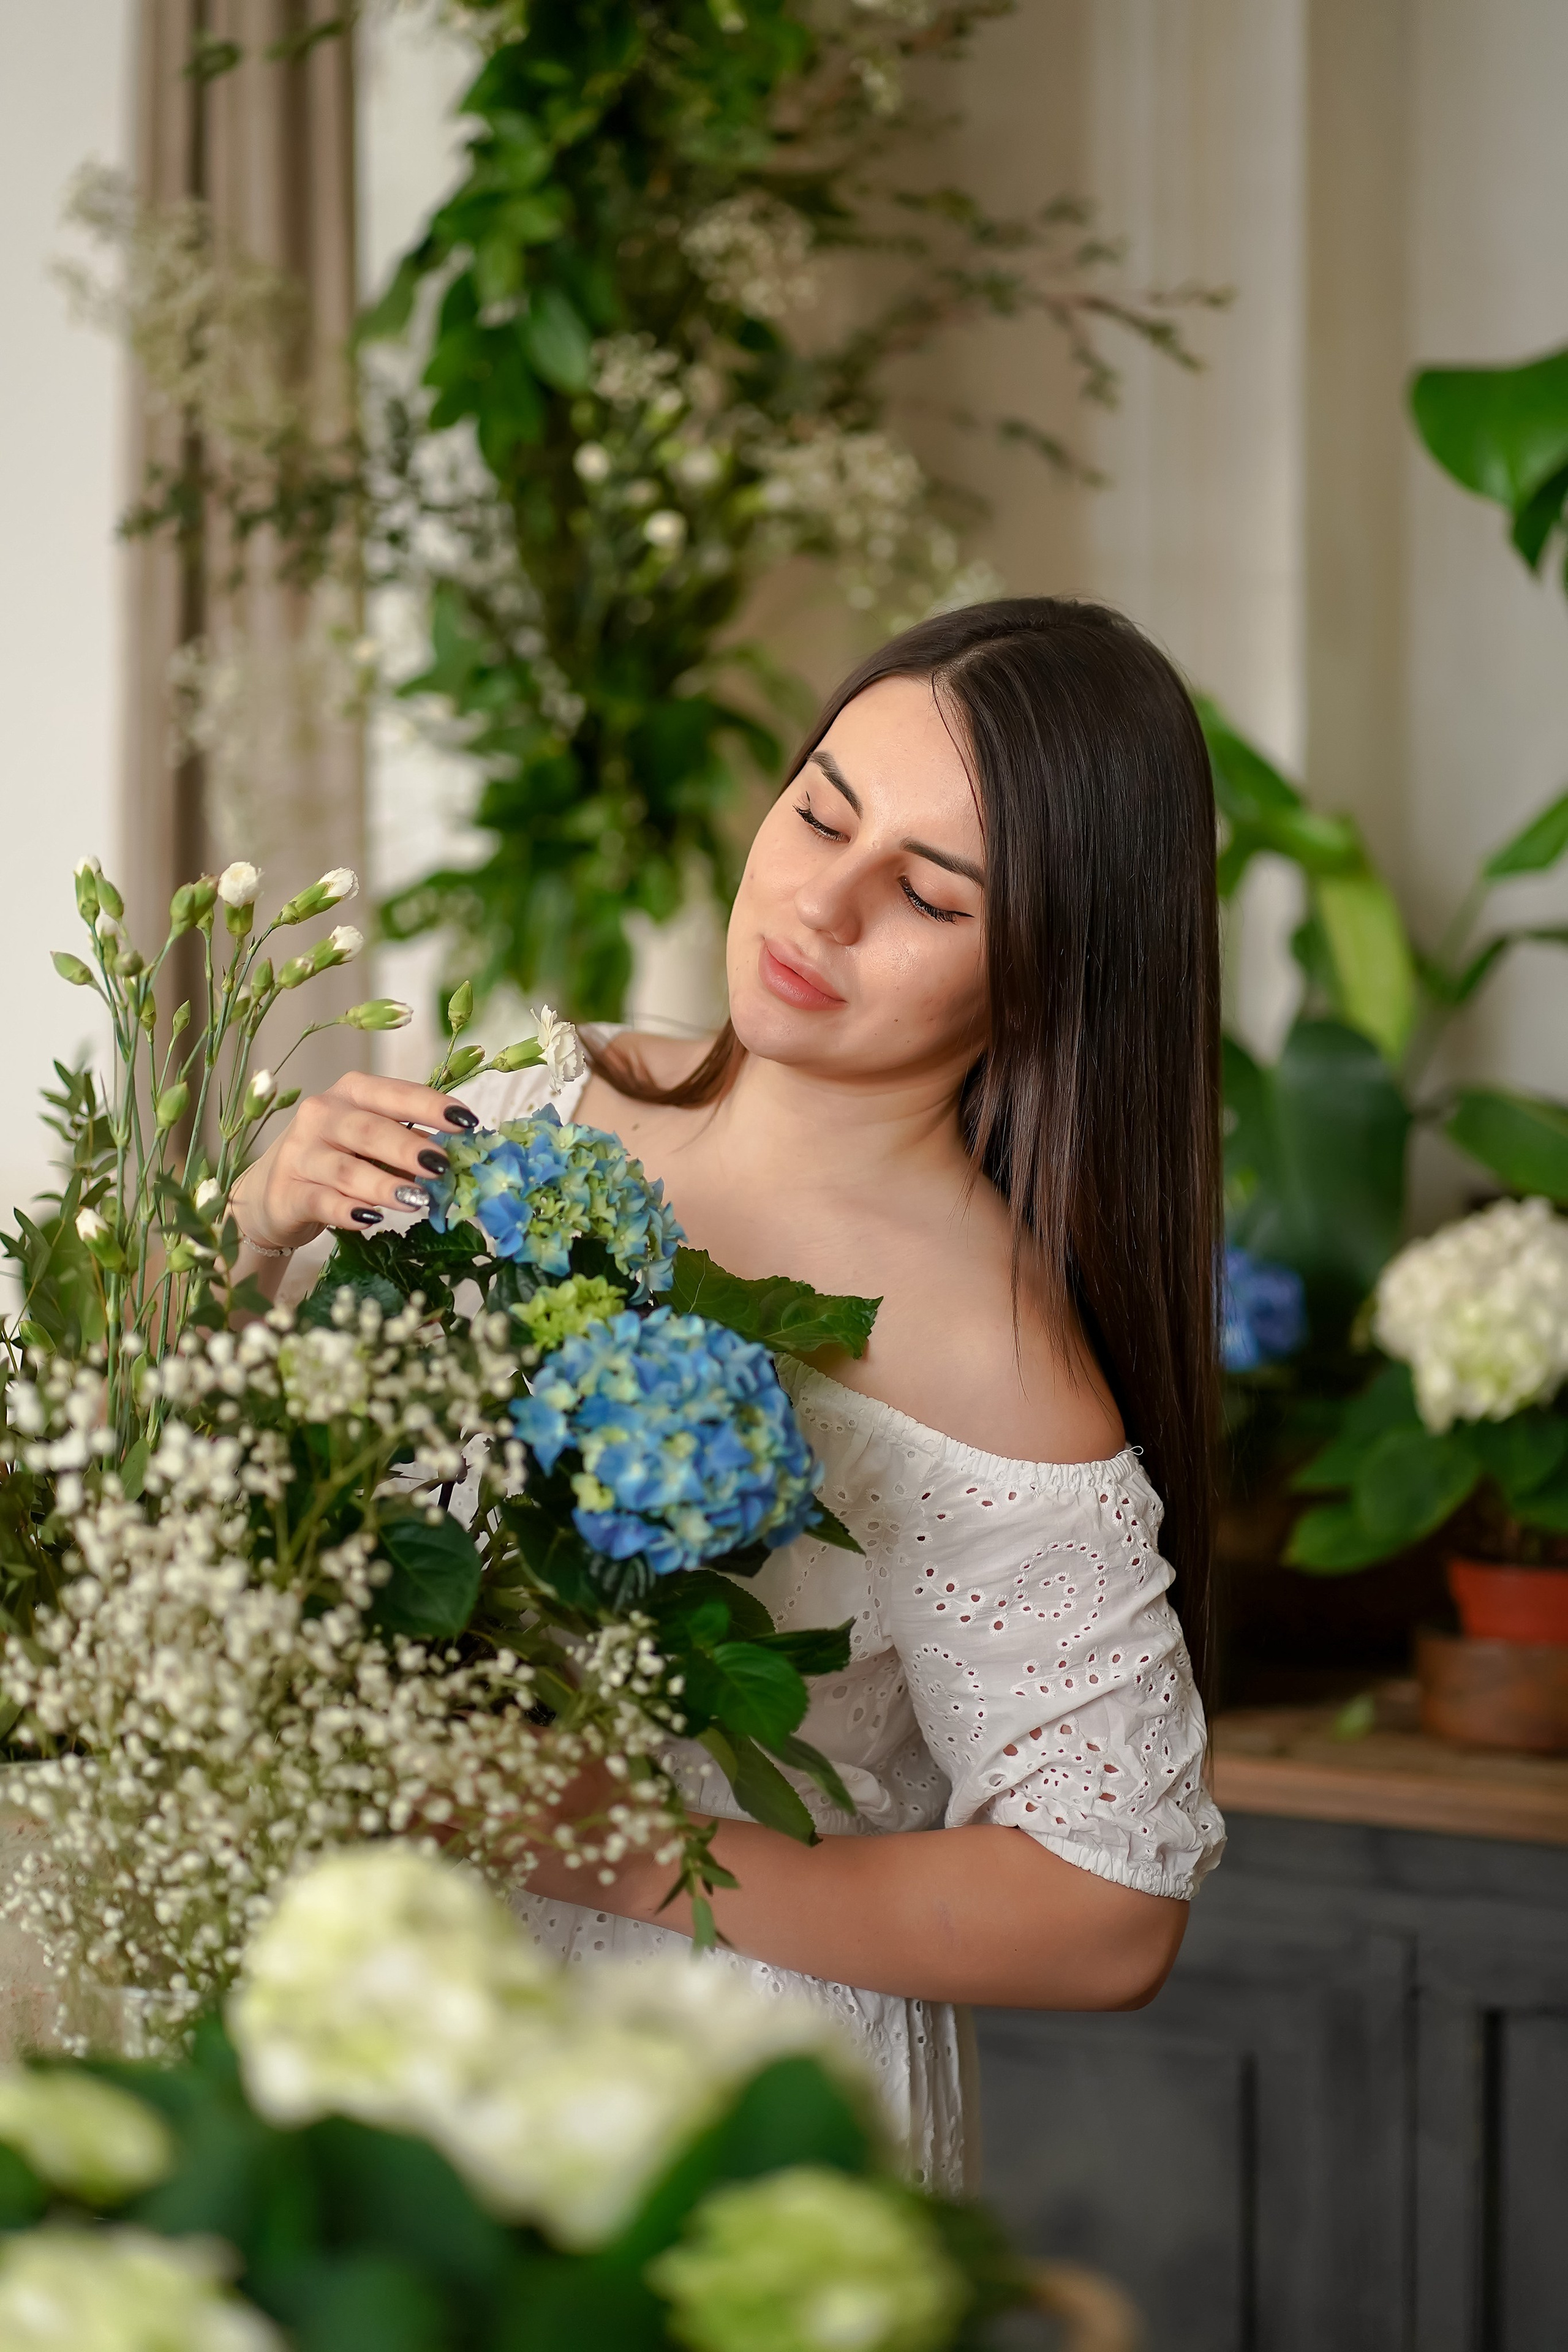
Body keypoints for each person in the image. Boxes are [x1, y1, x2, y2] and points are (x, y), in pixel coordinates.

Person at [229, 598, 1226, 2191]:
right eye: (823, 809)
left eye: (924, 894)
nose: (818, 905)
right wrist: (260, 1220)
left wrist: (624, 1849)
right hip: (384, 2016)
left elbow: (1109, 1910)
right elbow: (183, 1476)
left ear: (1048, 970)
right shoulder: (538, 1104)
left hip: (717, 2099)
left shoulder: (986, 1353)